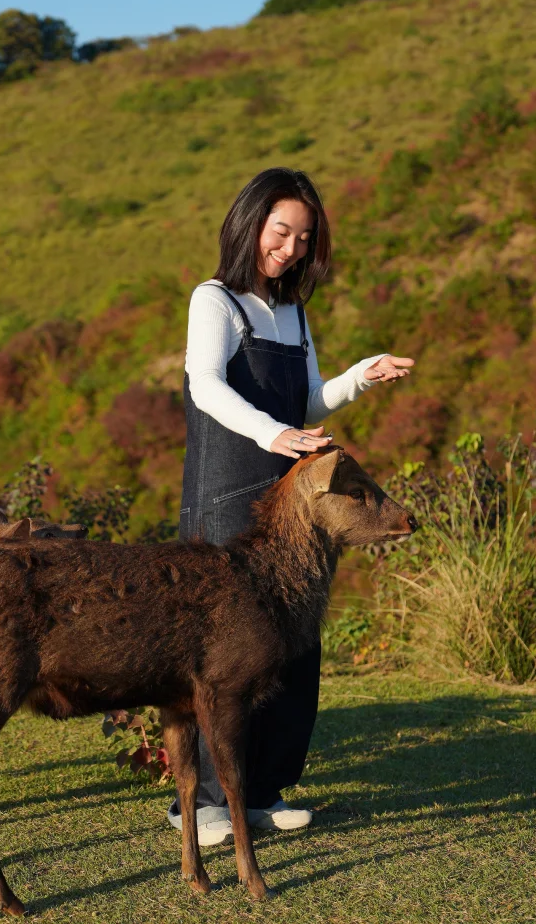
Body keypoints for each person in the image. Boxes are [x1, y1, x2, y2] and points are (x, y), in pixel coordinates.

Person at [171, 167, 414, 844]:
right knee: (223, 653)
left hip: (292, 505)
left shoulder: (293, 312)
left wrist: (359, 376)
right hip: (226, 493)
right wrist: (272, 434)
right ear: (249, 223)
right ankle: (206, 803)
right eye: (281, 231)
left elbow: (304, 402)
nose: (290, 248)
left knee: (290, 646)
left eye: (303, 238)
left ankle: (264, 790)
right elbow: (206, 386)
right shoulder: (213, 299)